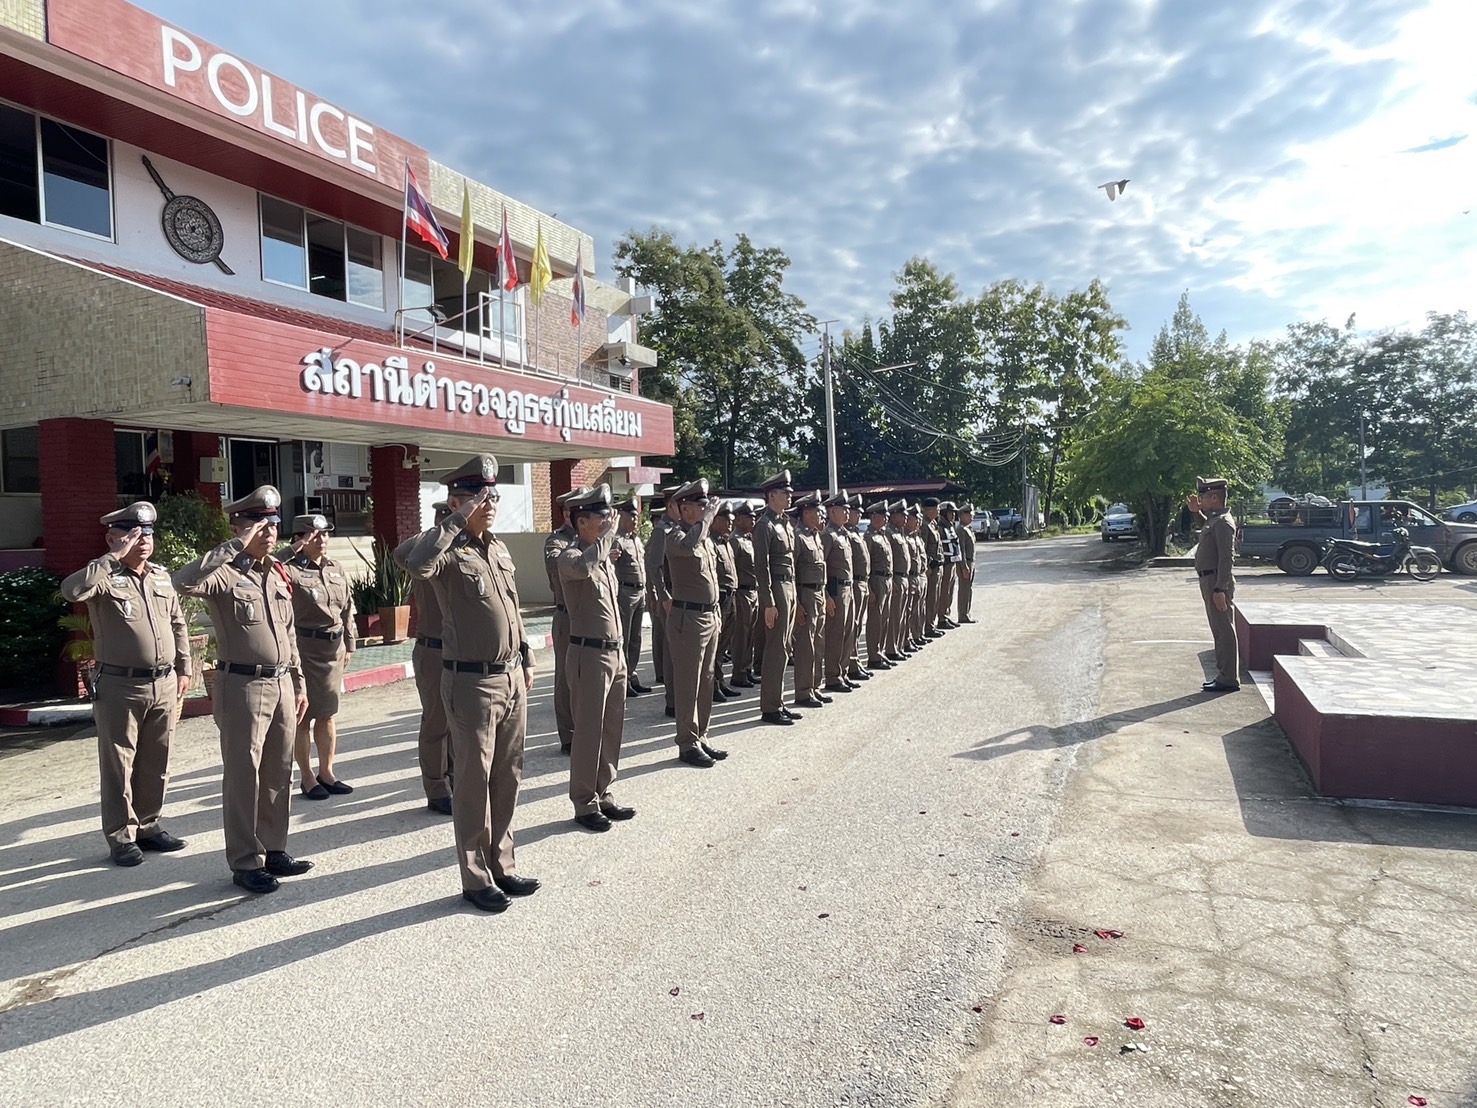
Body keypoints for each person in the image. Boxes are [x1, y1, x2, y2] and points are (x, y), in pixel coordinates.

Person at [406, 454, 539, 914]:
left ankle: (503, 864)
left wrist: (526, 655)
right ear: (457, 502)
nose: (491, 503)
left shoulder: (497, 549)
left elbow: (512, 607)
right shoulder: (446, 549)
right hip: (471, 682)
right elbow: (415, 563)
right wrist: (455, 520)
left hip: (510, 676)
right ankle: (475, 877)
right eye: (480, 497)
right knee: (472, 781)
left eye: (493, 495)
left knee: (508, 775)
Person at [174, 486, 312, 895]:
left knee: (279, 771)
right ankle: (245, 860)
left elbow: (288, 633)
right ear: (238, 527)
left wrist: (299, 681)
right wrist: (233, 547)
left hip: (282, 682)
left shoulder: (277, 572)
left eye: (272, 524)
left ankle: (274, 849)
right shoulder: (225, 573)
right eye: (257, 525)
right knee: (243, 776)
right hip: (244, 685)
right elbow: (184, 581)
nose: (268, 532)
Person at [61, 501, 191, 867]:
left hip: (163, 682)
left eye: (147, 533)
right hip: (121, 685)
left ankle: (149, 825)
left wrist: (184, 667)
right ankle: (121, 836)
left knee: (157, 759)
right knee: (119, 763)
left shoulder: (161, 577)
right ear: (113, 538)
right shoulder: (102, 576)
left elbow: (177, 623)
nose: (143, 540)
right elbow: (71, 590)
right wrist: (112, 558)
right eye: (133, 534)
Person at [557, 484, 636, 831]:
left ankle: (604, 792)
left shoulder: (603, 559)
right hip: (588, 654)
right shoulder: (570, 556)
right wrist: (606, 540)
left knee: (611, 728)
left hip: (614, 653)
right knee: (589, 731)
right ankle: (584, 802)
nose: (609, 522)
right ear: (582, 522)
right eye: (602, 517)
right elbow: (582, 567)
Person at [283, 512, 356, 800]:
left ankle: (327, 772)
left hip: (332, 649)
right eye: (315, 535)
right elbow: (270, 566)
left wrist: (350, 642)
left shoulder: (335, 568)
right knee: (303, 716)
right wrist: (292, 551)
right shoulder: (289, 570)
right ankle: (307, 777)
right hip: (304, 649)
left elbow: (347, 608)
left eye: (325, 534)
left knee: (327, 714)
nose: (322, 539)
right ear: (299, 538)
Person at [658, 478, 728, 767]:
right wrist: (708, 519)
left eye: (706, 505)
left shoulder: (705, 538)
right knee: (689, 682)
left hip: (709, 615)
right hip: (688, 618)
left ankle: (701, 735)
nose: (706, 510)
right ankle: (687, 743)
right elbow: (688, 546)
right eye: (700, 506)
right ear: (684, 509)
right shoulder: (674, 536)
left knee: (707, 680)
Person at [395, 501, 455, 814]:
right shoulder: (423, 555)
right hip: (433, 649)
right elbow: (400, 552)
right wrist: (436, 533)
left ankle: (455, 779)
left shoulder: (463, 553)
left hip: (462, 651)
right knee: (436, 722)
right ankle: (436, 787)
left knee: (459, 723)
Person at [753, 470, 801, 726]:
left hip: (789, 586)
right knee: (775, 648)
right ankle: (770, 707)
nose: (789, 497)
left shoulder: (784, 523)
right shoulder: (764, 525)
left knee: (784, 647)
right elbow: (761, 567)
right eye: (785, 493)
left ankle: (778, 702)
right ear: (772, 495)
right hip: (777, 588)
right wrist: (769, 602)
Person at [544, 487, 588, 754]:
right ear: (567, 514)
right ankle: (569, 735)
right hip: (567, 616)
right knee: (566, 678)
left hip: (591, 617)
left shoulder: (594, 541)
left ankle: (588, 731)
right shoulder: (557, 541)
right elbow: (558, 565)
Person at [1189, 477, 1240, 693]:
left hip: (1216, 580)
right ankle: (1224, 675)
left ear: (1214, 498)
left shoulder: (1223, 523)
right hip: (1209, 579)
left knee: (1223, 630)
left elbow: (1227, 558)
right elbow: (1205, 528)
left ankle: (1228, 678)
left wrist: (1220, 588)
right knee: (1218, 629)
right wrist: (1196, 513)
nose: (1200, 500)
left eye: (1202, 497)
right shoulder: (1214, 519)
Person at [645, 485, 684, 719]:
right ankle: (672, 701)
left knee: (680, 651)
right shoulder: (663, 530)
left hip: (682, 594)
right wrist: (662, 595)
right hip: (670, 595)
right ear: (671, 506)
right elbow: (654, 566)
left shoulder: (679, 529)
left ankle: (681, 697)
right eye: (681, 504)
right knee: (671, 651)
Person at [791, 491, 829, 709]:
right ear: (806, 513)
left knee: (818, 642)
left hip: (819, 592)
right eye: (817, 511)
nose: (821, 515)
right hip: (805, 594)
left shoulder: (815, 535)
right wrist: (797, 603)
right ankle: (803, 692)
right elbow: (792, 572)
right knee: (806, 645)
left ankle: (815, 686)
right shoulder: (798, 537)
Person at [612, 496, 651, 698]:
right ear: (621, 516)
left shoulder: (635, 539)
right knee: (625, 639)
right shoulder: (617, 541)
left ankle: (632, 674)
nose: (635, 520)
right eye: (631, 516)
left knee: (636, 638)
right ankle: (623, 680)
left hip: (640, 592)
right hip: (625, 593)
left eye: (637, 516)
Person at [821, 491, 856, 694]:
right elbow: (822, 566)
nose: (847, 513)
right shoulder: (828, 535)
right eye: (844, 509)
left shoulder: (844, 534)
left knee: (848, 633)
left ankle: (843, 672)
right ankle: (833, 676)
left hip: (848, 588)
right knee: (836, 634)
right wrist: (826, 595)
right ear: (833, 512)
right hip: (836, 591)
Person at [710, 501, 741, 700]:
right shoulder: (710, 542)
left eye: (732, 520)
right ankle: (713, 685)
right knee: (716, 644)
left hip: (731, 596)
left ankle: (720, 680)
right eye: (726, 520)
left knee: (724, 644)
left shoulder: (725, 542)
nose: (730, 523)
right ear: (715, 520)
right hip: (720, 597)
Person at [730, 502, 760, 689]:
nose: (753, 521)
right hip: (742, 592)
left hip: (753, 591)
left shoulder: (748, 539)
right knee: (741, 635)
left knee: (750, 635)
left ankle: (746, 669)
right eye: (749, 518)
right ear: (739, 520)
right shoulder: (734, 541)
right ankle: (739, 673)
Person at [864, 501, 895, 671]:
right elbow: (866, 565)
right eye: (884, 516)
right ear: (875, 516)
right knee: (876, 620)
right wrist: (869, 589)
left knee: (885, 619)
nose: (886, 519)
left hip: (886, 579)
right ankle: (874, 656)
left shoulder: (882, 535)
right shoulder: (869, 537)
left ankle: (881, 652)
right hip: (876, 580)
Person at [844, 494, 872, 684]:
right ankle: (850, 664)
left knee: (857, 625)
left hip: (861, 582)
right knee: (851, 627)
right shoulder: (844, 534)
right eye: (856, 512)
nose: (858, 516)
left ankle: (855, 662)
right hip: (851, 583)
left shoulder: (855, 533)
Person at [885, 500, 911, 662]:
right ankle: (891, 648)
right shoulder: (889, 533)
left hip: (904, 577)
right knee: (894, 616)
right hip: (895, 578)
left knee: (901, 615)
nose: (906, 519)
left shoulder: (900, 533)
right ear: (894, 516)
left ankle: (899, 646)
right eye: (903, 516)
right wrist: (892, 579)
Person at [920, 496, 944, 637]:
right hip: (931, 567)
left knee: (935, 598)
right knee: (930, 599)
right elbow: (923, 547)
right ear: (930, 510)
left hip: (937, 565)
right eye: (937, 508)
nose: (939, 511)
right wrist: (927, 566)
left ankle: (931, 624)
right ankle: (928, 627)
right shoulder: (924, 525)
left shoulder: (933, 524)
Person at [936, 501, 960, 629]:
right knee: (944, 592)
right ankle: (941, 618)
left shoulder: (950, 527)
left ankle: (946, 614)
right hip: (945, 564)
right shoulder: (940, 528)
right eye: (951, 513)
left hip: (952, 562)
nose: (953, 515)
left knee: (950, 591)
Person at [955, 503, 978, 624]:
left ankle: (967, 613)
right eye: (969, 514)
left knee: (968, 588)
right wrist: (964, 566)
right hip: (966, 562)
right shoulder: (960, 530)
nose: (971, 517)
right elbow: (961, 550)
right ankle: (963, 615)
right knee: (964, 589)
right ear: (962, 515)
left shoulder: (968, 529)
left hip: (971, 561)